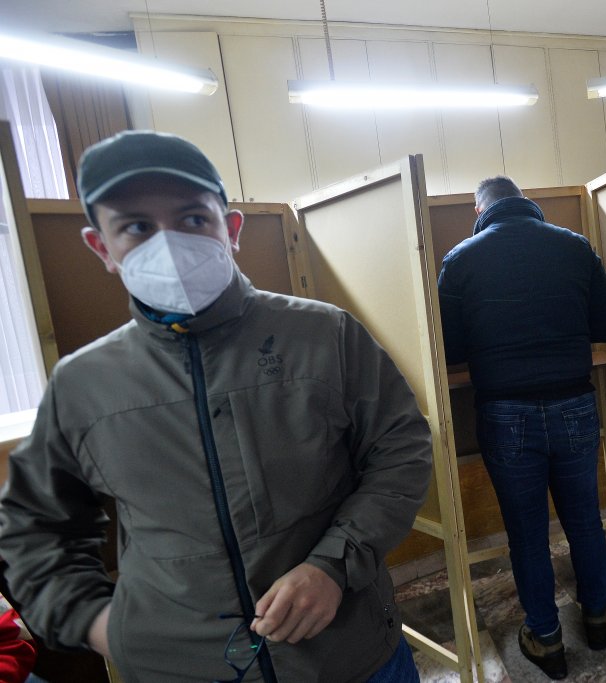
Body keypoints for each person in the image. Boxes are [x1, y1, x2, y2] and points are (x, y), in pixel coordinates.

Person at [0, 131, 432, 683]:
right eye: (136, 227)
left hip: (348, 655)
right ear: (101, 248)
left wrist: (333, 564)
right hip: (183, 670)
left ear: (230, 229)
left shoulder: (324, 336)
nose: (169, 244)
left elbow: (401, 451)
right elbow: (36, 527)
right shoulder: (83, 384)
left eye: (192, 218)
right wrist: (100, 624)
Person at [437, 176, 606, 679]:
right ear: (525, 202)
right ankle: (598, 618)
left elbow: (449, 349)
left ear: (480, 211)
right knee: (585, 520)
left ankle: (546, 639)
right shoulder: (575, 246)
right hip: (575, 403)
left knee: (527, 533)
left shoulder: (460, 259)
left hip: (506, 412)